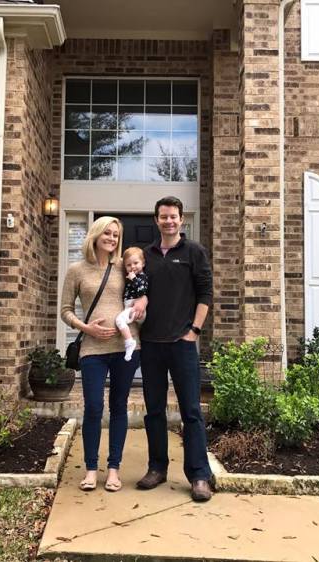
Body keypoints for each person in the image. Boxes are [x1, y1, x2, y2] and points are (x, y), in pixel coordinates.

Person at [131, 196, 214, 502]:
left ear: (181, 219)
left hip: (182, 345)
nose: (168, 221)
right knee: (154, 411)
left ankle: (199, 475)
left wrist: (194, 331)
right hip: (152, 344)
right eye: (163, 216)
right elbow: (136, 291)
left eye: (173, 216)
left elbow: (205, 293)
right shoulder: (146, 255)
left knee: (191, 411)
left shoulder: (194, 251)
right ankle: (157, 468)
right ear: (156, 220)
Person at [60, 216, 140, 493]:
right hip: (92, 349)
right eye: (107, 233)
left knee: (119, 406)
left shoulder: (123, 267)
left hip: (125, 347)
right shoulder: (77, 270)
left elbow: (142, 292)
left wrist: (140, 307)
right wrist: (86, 328)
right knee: (94, 407)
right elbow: (65, 310)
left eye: (116, 235)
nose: (112, 239)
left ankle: (114, 469)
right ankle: (91, 469)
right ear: (95, 234)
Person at [114, 247, 149, 361]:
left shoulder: (142, 277)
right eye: (128, 265)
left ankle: (129, 342)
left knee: (119, 320)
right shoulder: (131, 276)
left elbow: (142, 291)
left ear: (143, 263)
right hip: (130, 308)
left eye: (136, 263)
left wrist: (133, 279)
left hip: (135, 309)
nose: (132, 267)